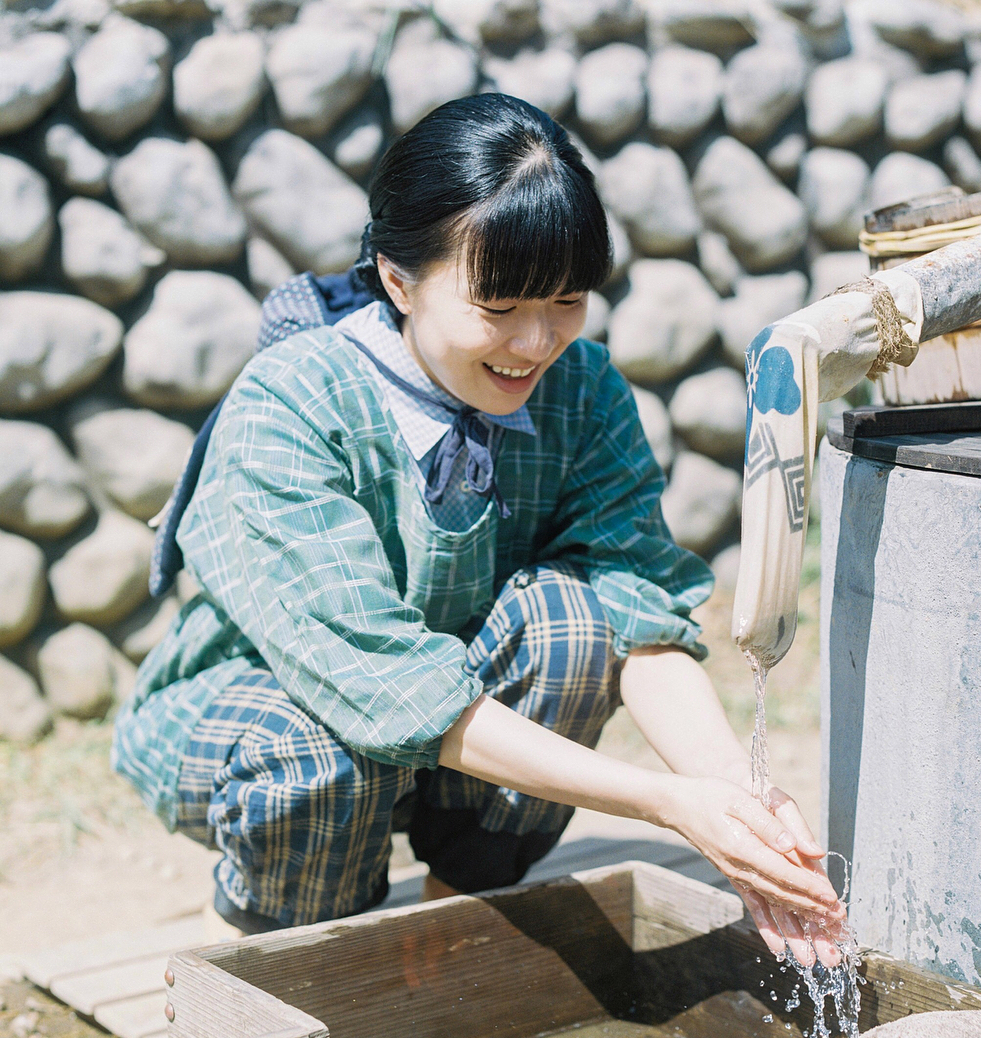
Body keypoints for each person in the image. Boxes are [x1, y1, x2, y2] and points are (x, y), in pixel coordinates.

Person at [113, 93, 842, 964]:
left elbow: (639, 618)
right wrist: (663, 803)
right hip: (271, 724)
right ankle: (260, 959)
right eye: (498, 308)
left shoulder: (584, 388)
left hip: (458, 725)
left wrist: (731, 793)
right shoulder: (292, 403)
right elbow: (382, 685)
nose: (536, 344)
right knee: (314, 756)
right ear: (398, 280)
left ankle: (458, 928)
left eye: (567, 300)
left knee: (577, 626)